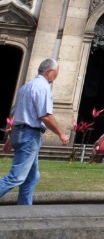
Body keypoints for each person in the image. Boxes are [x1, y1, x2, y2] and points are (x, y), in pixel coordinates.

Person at [0, 59, 69, 205]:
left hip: (21, 132)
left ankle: (24, 211)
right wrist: (61, 133)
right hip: (30, 135)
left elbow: (17, 114)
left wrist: (11, 138)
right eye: (56, 73)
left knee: (32, 177)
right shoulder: (43, 87)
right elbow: (45, 116)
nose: (55, 77)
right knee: (16, 177)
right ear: (49, 72)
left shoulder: (26, 87)